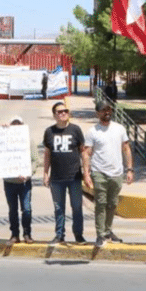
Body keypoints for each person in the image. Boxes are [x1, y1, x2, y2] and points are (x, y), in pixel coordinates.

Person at [82, 100, 134, 248]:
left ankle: (108, 230)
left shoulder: (119, 129)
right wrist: (86, 174)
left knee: (112, 204)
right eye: (104, 110)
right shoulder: (92, 132)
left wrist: (129, 170)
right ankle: (100, 234)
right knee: (101, 203)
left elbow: (126, 149)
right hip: (99, 173)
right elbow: (86, 154)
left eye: (109, 110)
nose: (107, 112)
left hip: (117, 173)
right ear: (98, 113)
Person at [43, 102, 87, 245]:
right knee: (58, 208)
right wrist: (45, 173)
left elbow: (83, 153)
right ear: (54, 115)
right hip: (56, 178)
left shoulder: (76, 130)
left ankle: (78, 235)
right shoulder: (49, 132)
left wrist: (86, 173)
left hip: (74, 176)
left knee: (77, 207)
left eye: (65, 111)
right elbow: (47, 154)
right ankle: (59, 234)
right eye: (59, 111)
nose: (63, 113)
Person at [3, 116, 39, 244]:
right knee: (12, 209)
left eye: (19, 125)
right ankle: (14, 234)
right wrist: (2, 131)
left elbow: (35, 160)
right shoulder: (4, 140)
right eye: (14, 124)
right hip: (9, 182)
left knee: (27, 209)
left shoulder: (29, 141)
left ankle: (27, 234)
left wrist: (28, 174)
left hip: (24, 182)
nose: (16, 127)